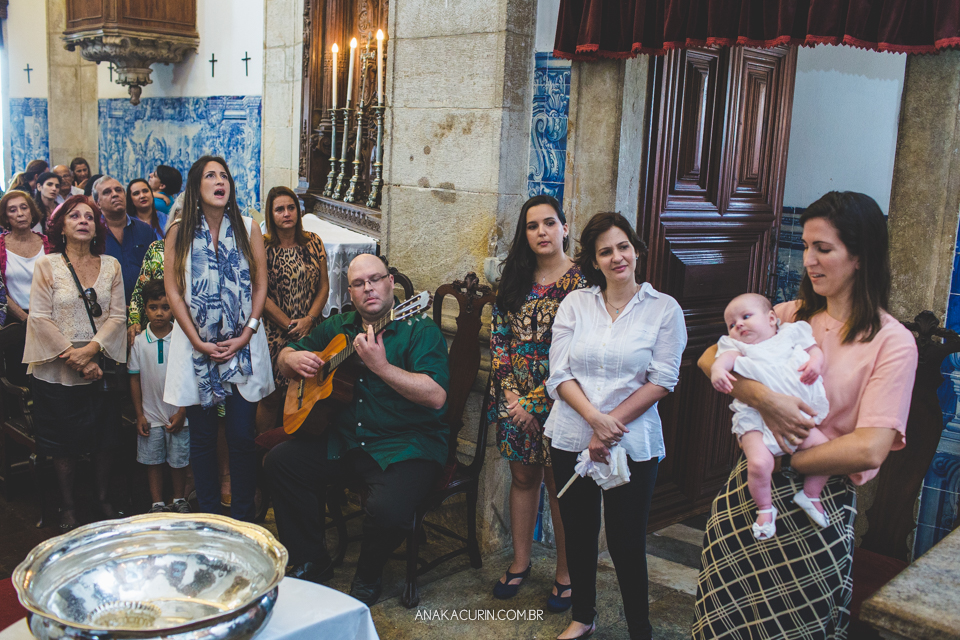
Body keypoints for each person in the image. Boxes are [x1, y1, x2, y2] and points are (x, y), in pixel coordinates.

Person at [693, 192, 919, 639]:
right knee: (721, 618)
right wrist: (766, 400)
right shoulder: (790, 315)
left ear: (860, 256)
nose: (809, 260)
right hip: (749, 494)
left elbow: (871, 447)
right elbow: (709, 358)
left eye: (824, 248)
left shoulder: (892, 343)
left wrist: (798, 458)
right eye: (806, 247)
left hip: (818, 505)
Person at [264, 253, 449, 605]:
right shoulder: (340, 327)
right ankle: (310, 561)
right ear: (349, 292)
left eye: (375, 279)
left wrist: (381, 367)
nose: (369, 289)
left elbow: (437, 396)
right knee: (281, 463)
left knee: (387, 509)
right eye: (359, 283)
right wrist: (290, 359)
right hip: (348, 441)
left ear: (391, 282)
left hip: (406, 445)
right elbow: (288, 354)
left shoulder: (420, 329)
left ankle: (368, 575)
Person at [545, 212, 686, 640]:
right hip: (572, 435)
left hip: (633, 442)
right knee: (580, 535)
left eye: (623, 246)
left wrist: (610, 426)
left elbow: (663, 378)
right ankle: (582, 617)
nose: (616, 257)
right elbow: (558, 374)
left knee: (626, 542)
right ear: (595, 261)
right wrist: (593, 420)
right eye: (605, 251)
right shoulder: (575, 304)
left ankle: (639, 629)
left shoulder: (664, 309)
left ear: (637, 251)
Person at [487, 194, 585, 611]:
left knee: (558, 486)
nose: (541, 232)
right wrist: (512, 397)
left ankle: (566, 574)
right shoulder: (513, 280)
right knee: (523, 479)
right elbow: (499, 340)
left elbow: (581, 354)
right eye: (532, 226)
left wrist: (534, 403)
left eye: (549, 223)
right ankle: (521, 561)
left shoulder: (583, 286)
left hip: (560, 402)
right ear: (524, 234)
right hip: (513, 403)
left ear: (565, 228)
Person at [163, 156, 273, 522]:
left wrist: (247, 332)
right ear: (197, 187)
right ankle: (209, 518)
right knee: (204, 439)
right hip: (198, 347)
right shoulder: (179, 230)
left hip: (242, 345)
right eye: (210, 175)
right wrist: (196, 340)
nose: (219, 180)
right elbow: (174, 292)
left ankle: (244, 517)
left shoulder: (247, 226)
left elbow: (260, 284)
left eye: (224, 175)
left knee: (242, 436)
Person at [23, 195, 126, 531]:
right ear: (61, 226)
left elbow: (118, 316)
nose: (83, 220)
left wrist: (93, 349)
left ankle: (102, 498)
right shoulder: (46, 265)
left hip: (102, 363)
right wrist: (79, 360)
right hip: (57, 369)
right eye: (74, 216)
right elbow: (39, 319)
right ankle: (68, 506)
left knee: (105, 438)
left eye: (90, 216)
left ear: (97, 227)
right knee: (63, 442)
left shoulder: (111, 265)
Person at [711, 293, 831, 539]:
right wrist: (717, 370)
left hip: (796, 415)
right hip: (755, 417)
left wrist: (816, 363)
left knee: (825, 450)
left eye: (746, 317)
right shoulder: (738, 347)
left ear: (772, 319)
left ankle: (810, 494)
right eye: (732, 324)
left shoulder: (791, 334)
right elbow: (723, 359)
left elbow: (814, 350)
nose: (739, 325)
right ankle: (765, 509)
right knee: (758, 463)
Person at [257, 185, 329, 434]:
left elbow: (324, 286)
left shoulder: (313, 242)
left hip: (310, 329)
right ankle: (262, 446)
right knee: (271, 397)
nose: (286, 213)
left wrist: (309, 319)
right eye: (280, 209)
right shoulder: (263, 247)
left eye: (291, 208)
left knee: (306, 393)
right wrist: (288, 323)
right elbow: (260, 294)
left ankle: (296, 445)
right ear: (271, 214)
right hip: (275, 332)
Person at [129, 279, 190, 514]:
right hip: (150, 414)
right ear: (145, 309)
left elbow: (188, 377)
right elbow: (134, 378)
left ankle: (179, 498)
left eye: (165, 307)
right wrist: (139, 414)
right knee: (153, 461)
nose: (159, 313)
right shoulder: (139, 342)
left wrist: (183, 411)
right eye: (153, 307)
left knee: (179, 461)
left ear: (174, 308)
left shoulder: (183, 339)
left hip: (178, 413)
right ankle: (157, 503)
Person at [0, 191, 53, 384]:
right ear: (6, 217)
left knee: (48, 375)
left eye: (24, 208)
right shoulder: (0, 246)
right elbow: (0, 292)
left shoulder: (49, 244)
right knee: (19, 377)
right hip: (14, 322)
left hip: (49, 318)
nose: (20, 213)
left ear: (32, 212)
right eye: (12, 210)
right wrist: (26, 319)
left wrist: (40, 319)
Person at [94, 176, 155, 305]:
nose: (115, 194)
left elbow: (156, 272)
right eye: (107, 192)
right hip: (107, 310)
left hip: (144, 309)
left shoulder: (145, 230)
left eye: (118, 190)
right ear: (97, 203)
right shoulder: (93, 234)